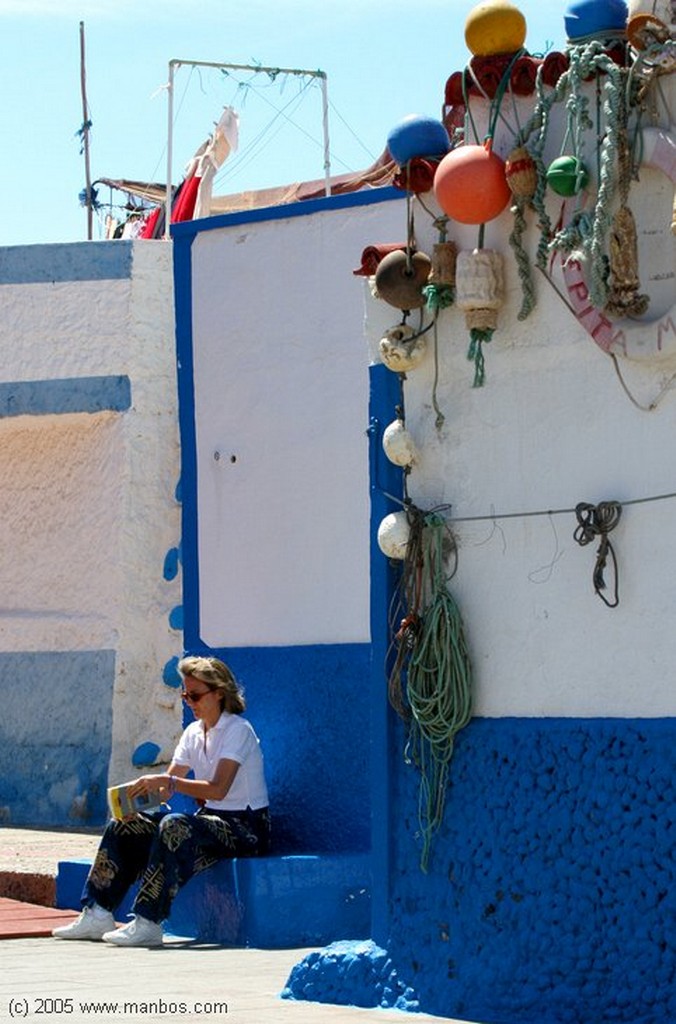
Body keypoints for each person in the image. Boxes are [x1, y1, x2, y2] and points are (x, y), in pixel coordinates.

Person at [53, 655, 270, 948]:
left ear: (219, 693)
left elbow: (217, 789)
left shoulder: (238, 730)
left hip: (245, 828)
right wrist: (134, 808)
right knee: (123, 826)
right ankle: (98, 912)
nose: (188, 702)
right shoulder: (193, 732)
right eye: (185, 695)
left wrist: (167, 782)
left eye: (195, 695)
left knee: (173, 826)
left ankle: (148, 921)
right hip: (211, 820)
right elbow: (166, 790)